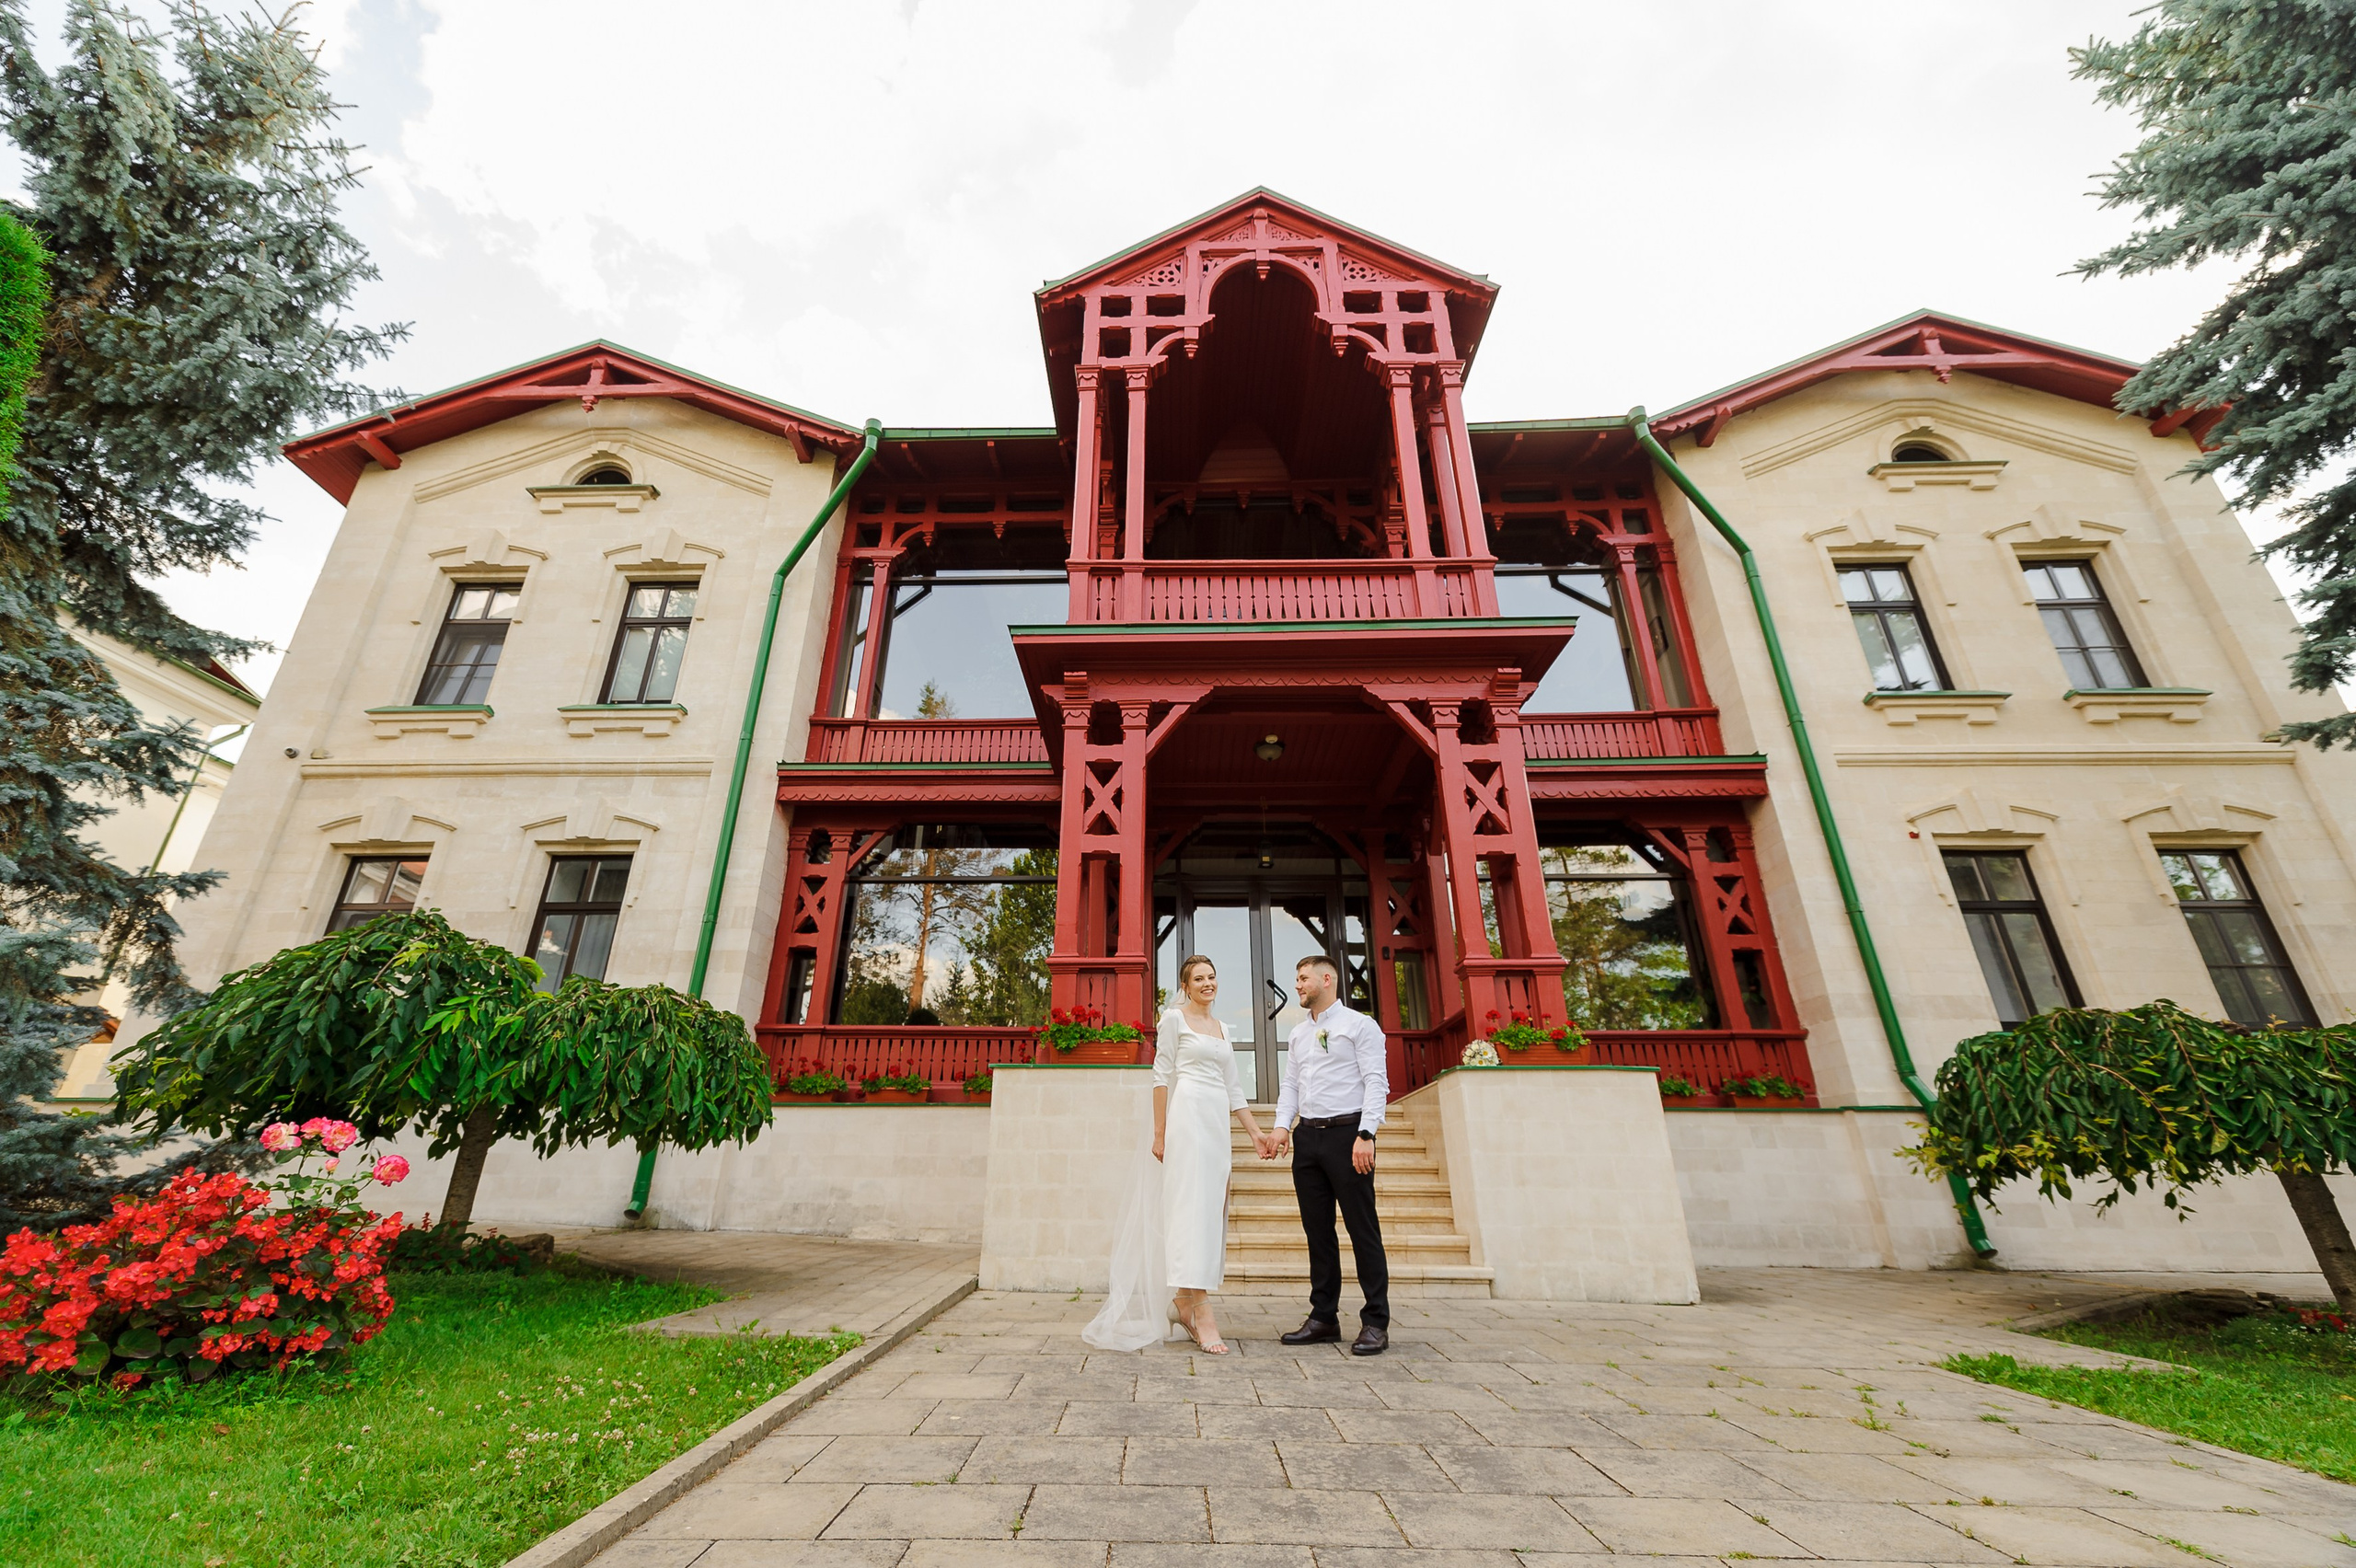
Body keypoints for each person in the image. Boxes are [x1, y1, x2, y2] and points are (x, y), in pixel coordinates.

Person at [1081, 954, 1273, 1355]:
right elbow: (1160, 1075)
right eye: (1199, 978)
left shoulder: (1222, 1028)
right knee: (1189, 1212)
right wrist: (1160, 1133)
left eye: (1212, 976)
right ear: (1185, 987)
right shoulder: (1174, 1020)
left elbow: (1234, 1088)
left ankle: (1184, 1302)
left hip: (1217, 1126)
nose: (1208, 983)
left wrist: (1255, 1134)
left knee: (1210, 1212)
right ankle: (1201, 1311)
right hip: (1186, 1119)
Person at [1267, 953, 1391, 1355]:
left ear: (1326, 979)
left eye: (1303, 978)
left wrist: (1367, 1133)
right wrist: (1283, 1126)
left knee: (1362, 1229)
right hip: (1309, 1141)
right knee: (1317, 1232)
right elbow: (1291, 1085)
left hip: (1348, 1137)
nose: (1298, 985)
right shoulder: (1299, 1035)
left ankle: (1375, 1322)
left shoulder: (1360, 1025)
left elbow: (1376, 1081)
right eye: (1297, 978)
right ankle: (1324, 1317)